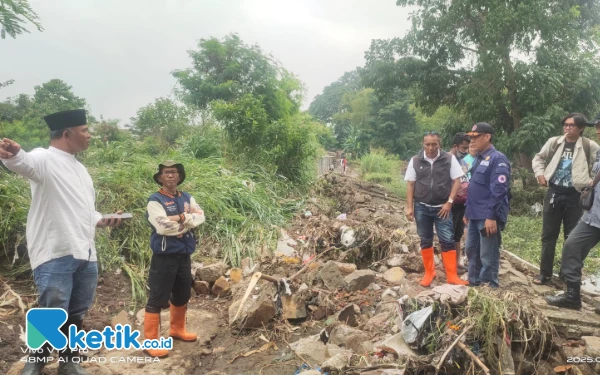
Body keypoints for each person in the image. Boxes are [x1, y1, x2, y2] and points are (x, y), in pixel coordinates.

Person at [0, 109, 122, 375]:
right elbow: (22, 162)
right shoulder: (44, 159)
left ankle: (69, 361)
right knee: (52, 308)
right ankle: (37, 360)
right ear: (67, 134)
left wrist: (102, 219)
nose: (89, 135)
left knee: (77, 311)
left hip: (85, 251)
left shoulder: (81, 170)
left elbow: (84, 210)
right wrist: (13, 154)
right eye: (85, 130)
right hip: (56, 250)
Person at [143, 161, 205, 357]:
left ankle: (177, 329)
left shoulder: (187, 197)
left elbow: (200, 216)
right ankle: (150, 341)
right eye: (166, 172)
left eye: (174, 172)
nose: (170, 175)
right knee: (157, 297)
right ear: (160, 177)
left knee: (181, 294)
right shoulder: (155, 200)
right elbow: (161, 226)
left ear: (179, 176)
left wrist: (180, 220)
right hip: (164, 256)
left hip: (184, 254)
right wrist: (186, 220)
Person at [531, 113, 599, 285]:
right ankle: (544, 274)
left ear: (581, 128)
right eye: (565, 125)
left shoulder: (589, 146)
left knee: (571, 238)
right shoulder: (555, 142)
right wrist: (539, 173)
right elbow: (539, 157)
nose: (567, 128)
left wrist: (592, 183)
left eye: (572, 125)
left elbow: (597, 167)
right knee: (548, 236)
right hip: (554, 193)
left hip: (576, 196)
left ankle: (566, 274)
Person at [546, 113, 600, 311]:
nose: (598, 131)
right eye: (597, 126)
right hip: (593, 214)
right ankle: (572, 296)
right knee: (572, 245)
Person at [404, 131, 468, 287]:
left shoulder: (448, 159)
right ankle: (429, 272)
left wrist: (449, 202)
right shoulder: (415, 160)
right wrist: (409, 207)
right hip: (422, 207)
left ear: (440, 144)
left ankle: (452, 275)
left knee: (447, 240)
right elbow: (411, 184)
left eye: (434, 144)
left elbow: (457, 182)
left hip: (443, 208)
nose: (431, 147)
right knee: (425, 239)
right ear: (423, 144)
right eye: (427, 144)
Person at [464, 122, 511, 288]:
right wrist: (467, 212)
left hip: (487, 215)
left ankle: (489, 286)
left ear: (487, 137)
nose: (472, 141)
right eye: (470, 138)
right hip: (474, 213)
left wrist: (491, 216)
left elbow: (499, 190)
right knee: (471, 249)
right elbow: (474, 187)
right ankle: (474, 284)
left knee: (487, 254)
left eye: (475, 137)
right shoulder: (478, 158)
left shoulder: (498, 159)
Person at [448, 132, 471, 275]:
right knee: (448, 235)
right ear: (455, 146)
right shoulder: (447, 160)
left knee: (457, 234)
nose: (466, 151)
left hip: (462, 203)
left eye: (467, 148)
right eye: (463, 148)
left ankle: (456, 262)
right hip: (450, 204)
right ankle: (448, 264)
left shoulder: (462, 162)